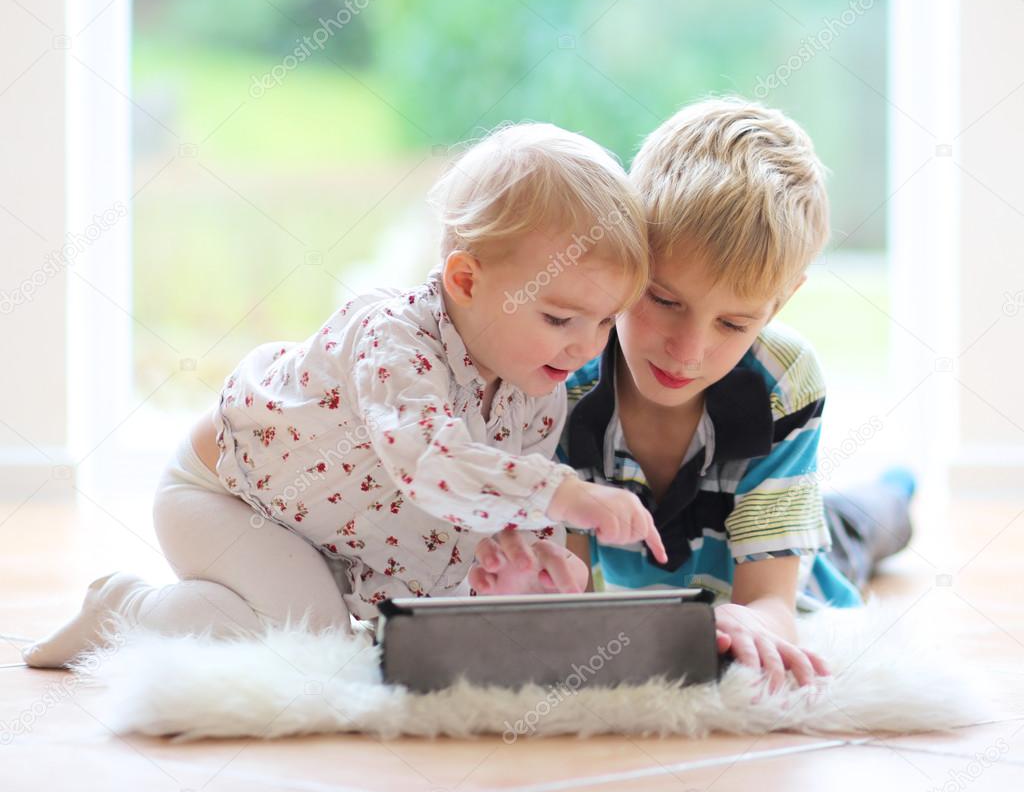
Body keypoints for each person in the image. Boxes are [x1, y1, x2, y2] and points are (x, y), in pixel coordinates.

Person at [22, 122, 665, 669]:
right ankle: (124, 609)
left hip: (338, 538)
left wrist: (536, 552)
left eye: (607, 321)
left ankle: (257, 605)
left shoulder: (536, 379)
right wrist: (567, 493)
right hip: (230, 498)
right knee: (308, 635)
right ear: (465, 280)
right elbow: (432, 461)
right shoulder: (393, 339)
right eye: (560, 318)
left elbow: (501, 493)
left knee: (421, 638)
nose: (587, 346)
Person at [471, 98, 915, 695]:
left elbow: (773, 604)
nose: (686, 351)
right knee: (841, 517)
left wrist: (750, 618)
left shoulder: (782, 382)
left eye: (733, 325)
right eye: (663, 300)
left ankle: (895, 493)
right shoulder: (560, 372)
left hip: (782, 549)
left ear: (779, 304)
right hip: (663, 565)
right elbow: (567, 589)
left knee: (856, 529)